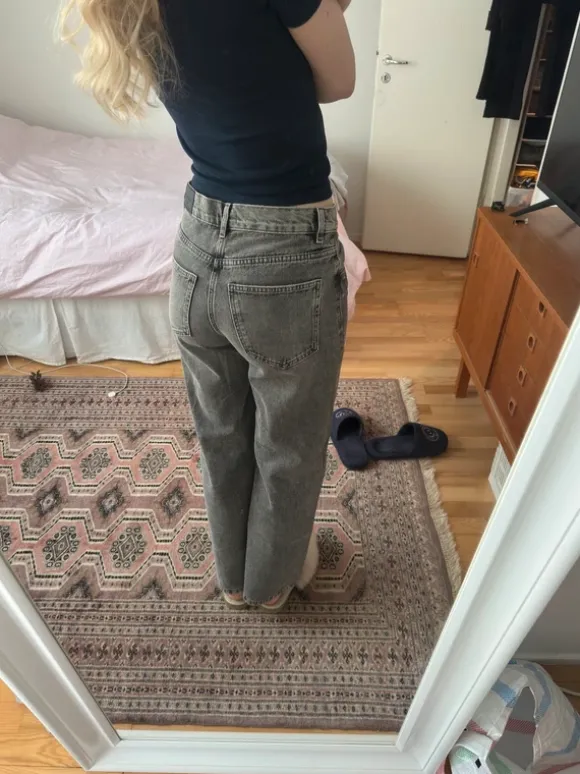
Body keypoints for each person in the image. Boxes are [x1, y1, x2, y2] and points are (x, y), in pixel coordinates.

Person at [60, 0, 356, 611]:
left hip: (197, 241)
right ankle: (270, 585)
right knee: (289, 443)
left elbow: (248, 59)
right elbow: (338, 81)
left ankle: (235, 581)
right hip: (284, 248)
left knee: (222, 433)